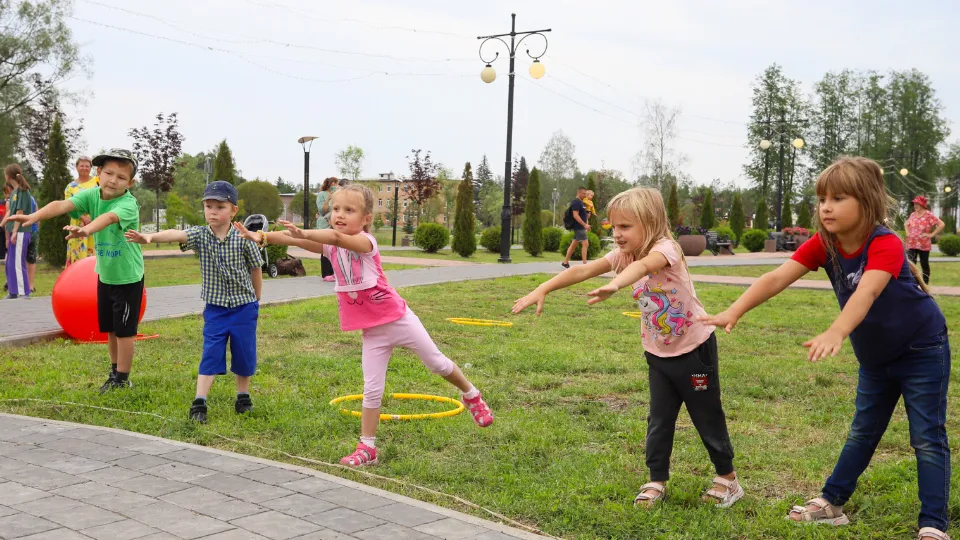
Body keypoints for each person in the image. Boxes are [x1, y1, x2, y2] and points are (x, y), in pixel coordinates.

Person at [701, 157, 949, 540]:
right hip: (876, 358)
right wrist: (734, 310)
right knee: (863, 432)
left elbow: (867, 291)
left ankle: (933, 524)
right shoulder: (826, 243)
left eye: (838, 198)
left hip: (922, 350)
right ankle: (832, 503)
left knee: (926, 438)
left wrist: (836, 331)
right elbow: (777, 277)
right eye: (822, 199)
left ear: (866, 201)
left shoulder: (884, 242)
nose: (826, 207)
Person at [514, 187, 743, 509]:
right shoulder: (623, 255)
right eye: (614, 226)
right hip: (658, 353)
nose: (617, 234)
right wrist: (544, 288)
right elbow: (583, 269)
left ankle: (728, 479)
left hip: (695, 351)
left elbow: (644, 267)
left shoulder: (666, 249)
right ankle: (656, 479)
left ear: (650, 223)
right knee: (659, 418)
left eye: (625, 226)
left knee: (706, 415)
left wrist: (615, 283)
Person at [234, 184, 494, 466]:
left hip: (400, 321)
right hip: (372, 332)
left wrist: (304, 232)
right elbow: (292, 239)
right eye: (335, 209)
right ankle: (367, 448)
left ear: (366, 218)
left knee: (438, 364)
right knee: (371, 389)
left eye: (349, 210)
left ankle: (471, 394)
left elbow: (334, 237)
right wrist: (261, 236)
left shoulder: (366, 242)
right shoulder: (331, 248)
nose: (339, 215)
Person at [5, 150, 144, 393]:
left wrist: (86, 230)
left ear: (130, 183)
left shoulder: (128, 204)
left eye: (121, 177)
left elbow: (109, 218)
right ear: (98, 173)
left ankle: (123, 379)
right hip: (106, 274)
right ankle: (114, 373)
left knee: (124, 332)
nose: (113, 180)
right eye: (109, 173)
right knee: (111, 329)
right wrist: (35, 216)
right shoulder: (92, 194)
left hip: (127, 277)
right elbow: (62, 205)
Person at [125, 181, 263, 422]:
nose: (213, 212)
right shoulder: (200, 235)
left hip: (244, 308)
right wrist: (149, 237)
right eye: (208, 206)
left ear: (233, 210)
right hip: (216, 310)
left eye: (220, 207)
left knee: (244, 352)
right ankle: (200, 402)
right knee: (211, 352)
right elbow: (176, 234)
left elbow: (256, 268)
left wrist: (256, 298)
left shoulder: (244, 239)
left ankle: (243, 397)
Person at [2, 164, 33, 299]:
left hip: (21, 231)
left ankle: (23, 292)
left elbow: (20, 213)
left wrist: (14, 232)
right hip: (14, 232)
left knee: (18, 263)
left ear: (8, 176)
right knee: (10, 263)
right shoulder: (14, 192)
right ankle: (13, 291)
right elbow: (11, 211)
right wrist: (2, 225)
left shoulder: (23, 191)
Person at [65, 156, 100, 267]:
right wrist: (83, 217)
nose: (84, 168)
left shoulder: (97, 181)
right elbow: (68, 205)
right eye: (82, 166)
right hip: (78, 223)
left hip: (96, 221)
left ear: (90, 168)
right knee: (78, 253)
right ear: (76, 167)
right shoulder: (70, 187)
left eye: (87, 166)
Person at [904, 195, 943, 285]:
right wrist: (908, 234)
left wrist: (931, 234)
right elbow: (906, 224)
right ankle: (912, 284)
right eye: (914, 204)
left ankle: (925, 284)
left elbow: (941, 224)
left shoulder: (928, 214)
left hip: (924, 244)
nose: (915, 206)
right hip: (911, 243)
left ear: (922, 205)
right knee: (911, 264)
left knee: (924, 264)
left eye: (917, 204)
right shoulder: (913, 214)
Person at [561, 186, 591, 268]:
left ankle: (565, 262)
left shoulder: (582, 203)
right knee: (585, 244)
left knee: (573, 244)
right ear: (579, 193)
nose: (585, 195)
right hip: (578, 227)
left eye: (586, 193)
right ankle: (585, 265)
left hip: (581, 227)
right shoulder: (576, 202)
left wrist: (588, 217)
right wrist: (584, 225)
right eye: (584, 193)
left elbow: (583, 215)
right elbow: (575, 215)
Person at [314, 177, 336, 282]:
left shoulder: (338, 195)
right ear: (328, 184)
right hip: (325, 224)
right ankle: (326, 274)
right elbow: (322, 211)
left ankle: (335, 272)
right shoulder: (322, 195)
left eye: (336, 183)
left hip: (335, 224)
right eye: (333, 183)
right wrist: (328, 198)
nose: (335, 185)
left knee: (335, 248)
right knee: (326, 248)